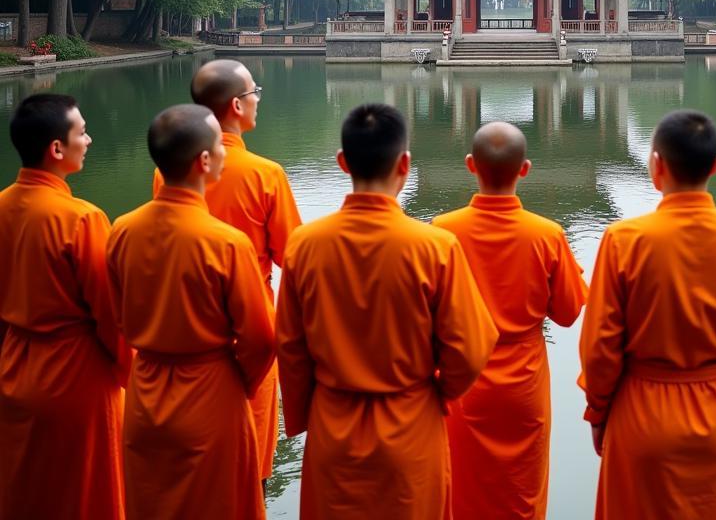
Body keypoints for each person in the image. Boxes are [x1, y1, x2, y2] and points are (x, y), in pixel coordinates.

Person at [276, 104, 498, 520]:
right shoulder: (435, 246)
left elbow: (289, 348)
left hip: (333, 426)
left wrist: (310, 415)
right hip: (410, 424)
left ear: (342, 162)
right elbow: (469, 349)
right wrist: (435, 393)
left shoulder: (304, 245)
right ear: (406, 164)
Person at [579, 110, 716, 520]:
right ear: (715, 166)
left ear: (656, 165)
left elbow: (599, 346)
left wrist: (598, 411)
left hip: (640, 411)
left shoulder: (624, 239)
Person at [108, 105, 275, 520]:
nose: (225, 152)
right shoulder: (227, 243)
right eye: (219, 146)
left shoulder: (121, 230)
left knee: (152, 502)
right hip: (211, 393)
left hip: (145, 392)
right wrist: (238, 383)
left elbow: (115, 320)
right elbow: (260, 339)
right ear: (203, 161)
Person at [153, 58, 301, 482]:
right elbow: (295, 259)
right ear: (237, 105)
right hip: (244, 341)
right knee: (244, 475)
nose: (258, 101)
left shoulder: (168, 174)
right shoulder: (264, 174)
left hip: (179, 338)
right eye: (255, 93)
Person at [433, 121, 588, 520]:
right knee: (521, 492)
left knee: (459, 487)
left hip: (462, 381)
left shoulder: (442, 232)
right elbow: (569, 314)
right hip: (523, 382)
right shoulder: (547, 235)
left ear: (470, 165)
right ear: (525, 169)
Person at [0, 93, 130, 520]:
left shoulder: (2, 206)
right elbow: (111, 316)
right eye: (82, 132)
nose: (89, 140)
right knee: (87, 496)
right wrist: (128, 374)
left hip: (13, 368)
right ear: (57, 149)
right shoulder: (82, 219)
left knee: (25, 491)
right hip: (77, 378)